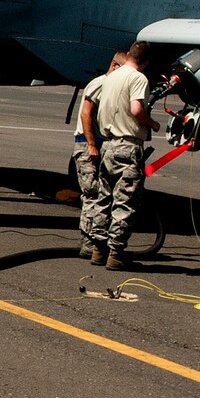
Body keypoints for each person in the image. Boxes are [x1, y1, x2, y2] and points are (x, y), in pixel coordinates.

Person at [87, 41, 158, 270]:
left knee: (103, 197)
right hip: (128, 145)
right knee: (125, 201)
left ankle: (98, 248)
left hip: (107, 144)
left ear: (128, 55)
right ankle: (115, 253)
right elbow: (137, 110)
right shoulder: (138, 78)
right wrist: (153, 124)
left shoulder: (110, 78)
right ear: (145, 62)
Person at [73, 52, 128, 259]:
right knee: (92, 195)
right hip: (89, 146)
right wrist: (91, 145)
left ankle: (96, 241)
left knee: (101, 194)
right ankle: (88, 242)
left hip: (98, 145)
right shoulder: (101, 83)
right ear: (114, 66)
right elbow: (86, 113)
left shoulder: (110, 85)